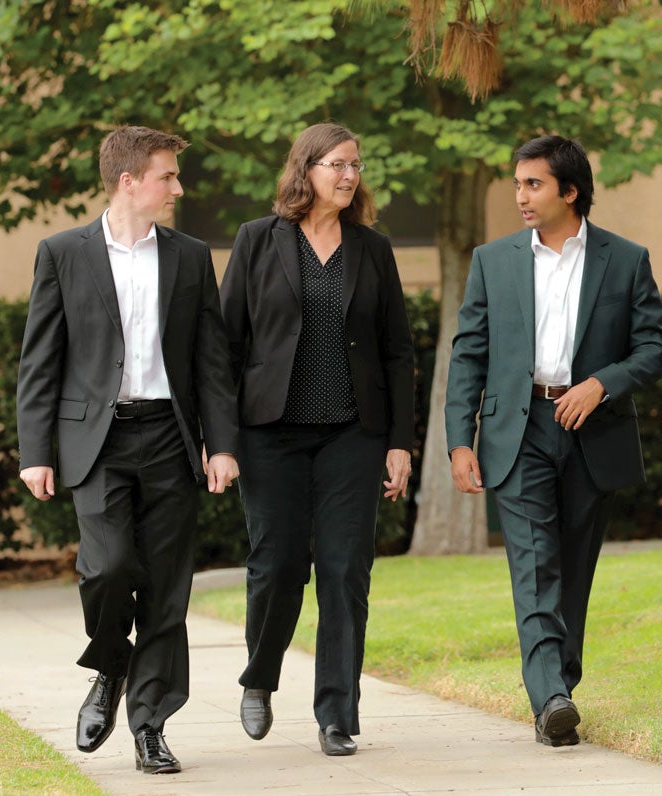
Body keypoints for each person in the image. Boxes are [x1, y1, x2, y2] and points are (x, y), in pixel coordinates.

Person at [16, 125, 239, 774]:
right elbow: (41, 361)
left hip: (170, 438)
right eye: (167, 176)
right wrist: (36, 450)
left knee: (167, 593)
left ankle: (150, 726)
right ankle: (110, 667)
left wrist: (220, 444)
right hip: (98, 441)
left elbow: (211, 362)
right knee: (108, 569)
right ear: (129, 181)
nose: (178, 187)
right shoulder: (62, 253)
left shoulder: (191, 256)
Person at [444, 135, 662, 747]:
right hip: (518, 430)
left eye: (533, 184)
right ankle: (549, 697)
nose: (520, 195)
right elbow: (469, 353)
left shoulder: (625, 259)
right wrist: (459, 441)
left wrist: (601, 384)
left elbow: (654, 349)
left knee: (573, 569)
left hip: (592, 430)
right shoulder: (493, 261)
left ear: (570, 191)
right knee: (534, 564)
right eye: (517, 183)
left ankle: (558, 684)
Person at [219, 122, 415, 757]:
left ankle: (338, 713)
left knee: (343, 569)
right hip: (269, 434)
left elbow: (397, 351)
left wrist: (399, 442)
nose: (349, 174)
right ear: (305, 170)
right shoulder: (256, 240)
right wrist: (219, 437)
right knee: (276, 567)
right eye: (336, 163)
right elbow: (227, 345)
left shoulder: (371, 247)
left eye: (356, 164)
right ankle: (259, 678)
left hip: (352, 435)